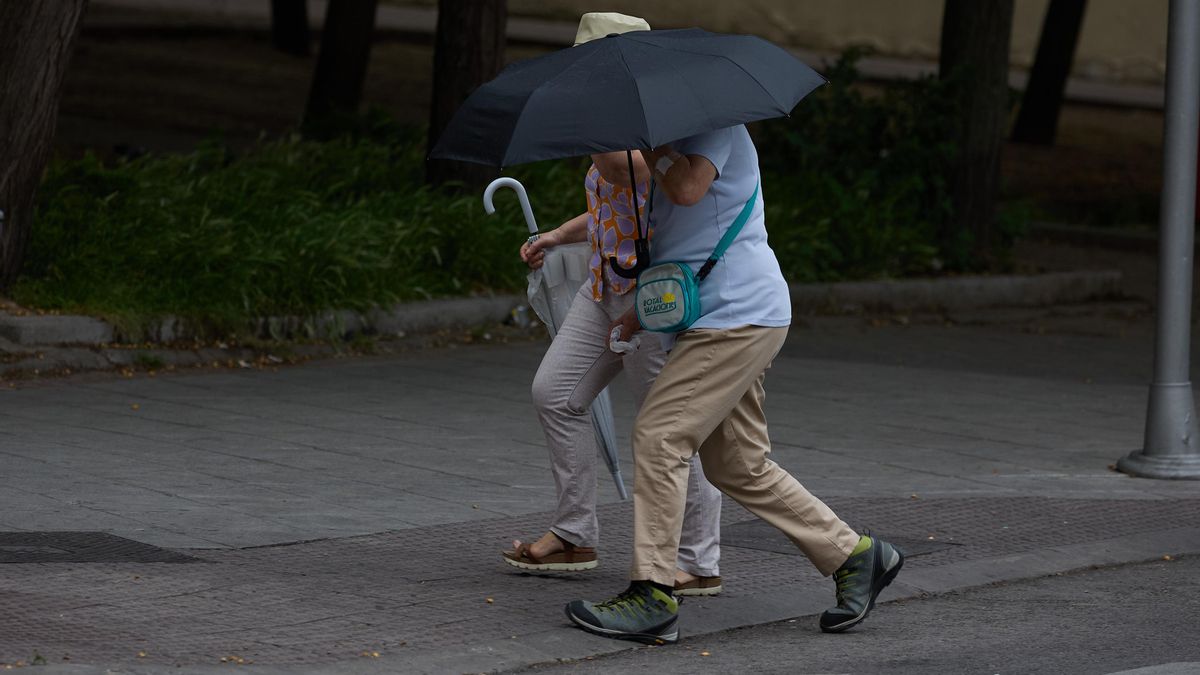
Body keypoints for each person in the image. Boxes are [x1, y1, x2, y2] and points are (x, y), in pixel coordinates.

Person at [563, 123, 905, 643]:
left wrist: (650, 149)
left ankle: (652, 595)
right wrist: (635, 314)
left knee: (660, 437)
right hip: (716, 317)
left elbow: (689, 188)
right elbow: (683, 240)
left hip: (737, 317)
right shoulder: (666, 147)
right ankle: (855, 555)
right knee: (737, 463)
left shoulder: (717, 126)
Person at [501, 12, 726, 598]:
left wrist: (588, 117)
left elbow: (618, 172)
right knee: (555, 393)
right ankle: (576, 532)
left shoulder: (652, 130)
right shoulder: (609, 122)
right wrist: (558, 235)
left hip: (650, 300)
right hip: (601, 290)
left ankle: (699, 560)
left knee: (669, 429)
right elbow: (605, 205)